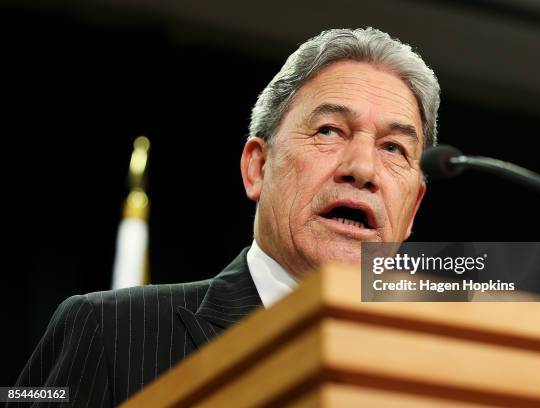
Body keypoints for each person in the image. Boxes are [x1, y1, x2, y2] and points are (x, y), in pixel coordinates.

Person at [14, 27, 440, 407]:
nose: (363, 169)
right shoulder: (109, 330)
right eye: (329, 130)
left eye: (393, 148)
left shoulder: (438, 375)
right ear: (256, 167)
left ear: (412, 210)